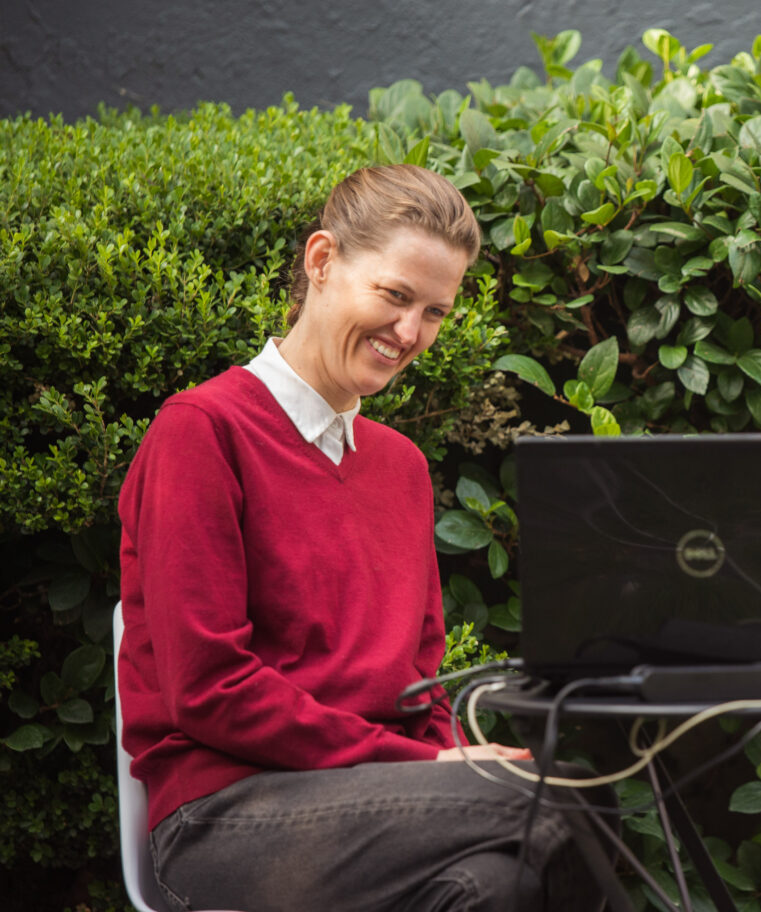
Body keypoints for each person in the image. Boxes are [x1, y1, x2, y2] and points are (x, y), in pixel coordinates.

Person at [118, 164, 606, 912]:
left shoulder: (400, 468)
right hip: (225, 814)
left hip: (382, 800)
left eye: (435, 312)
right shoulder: (202, 432)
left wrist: (441, 756)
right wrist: (429, 766)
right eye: (395, 296)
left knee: (497, 887)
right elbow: (209, 689)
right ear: (322, 261)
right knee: (561, 801)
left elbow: (418, 681)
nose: (410, 334)